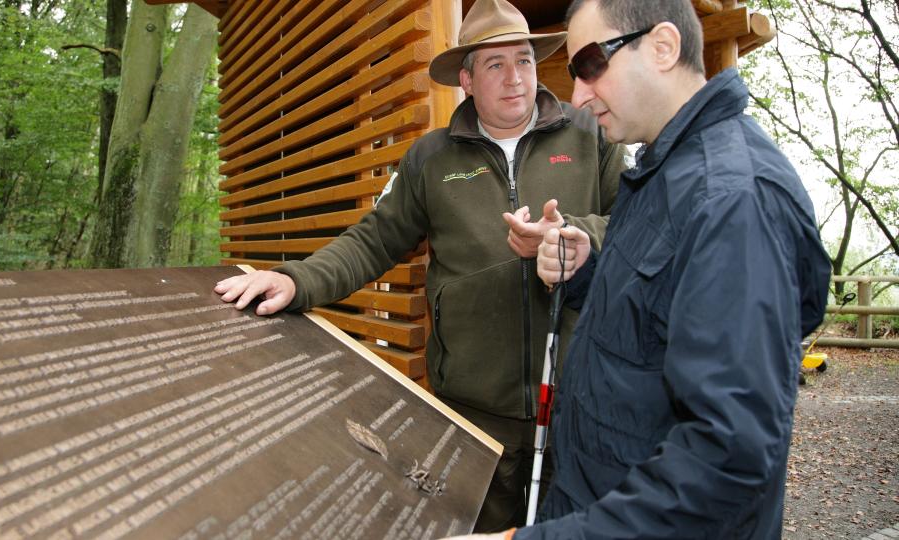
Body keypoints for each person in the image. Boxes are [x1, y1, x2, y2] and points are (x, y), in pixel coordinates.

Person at [214, 0, 627, 532]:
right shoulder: (430, 159)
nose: (515, 79)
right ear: (466, 80)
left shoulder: (588, 134)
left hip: (580, 399)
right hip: (474, 415)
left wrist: (581, 239)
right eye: (494, 65)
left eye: (523, 60)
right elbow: (372, 241)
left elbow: (640, 222)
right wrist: (295, 279)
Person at [447, 0, 831, 538]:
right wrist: (584, 273)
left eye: (589, 66)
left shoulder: (733, 199)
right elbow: (656, 314)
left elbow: (725, 462)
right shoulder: (663, 172)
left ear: (663, 47)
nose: (578, 94)